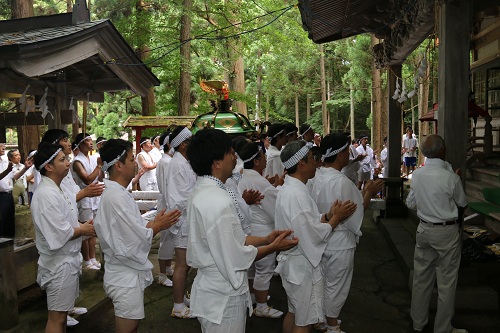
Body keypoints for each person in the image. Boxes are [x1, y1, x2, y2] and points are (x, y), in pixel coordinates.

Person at [185, 128, 298, 333]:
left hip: (212, 290)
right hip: (223, 295)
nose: (235, 156)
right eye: (230, 152)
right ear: (216, 162)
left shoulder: (202, 191)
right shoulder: (219, 200)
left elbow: (234, 240)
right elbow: (236, 256)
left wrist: (265, 240)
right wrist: (273, 247)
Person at [94, 139, 181, 333]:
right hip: (123, 275)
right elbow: (133, 239)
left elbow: (136, 227)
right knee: (127, 327)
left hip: (126, 273)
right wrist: (157, 226)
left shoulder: (119, 193)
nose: (135, 163)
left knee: (131, 325)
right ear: (118, 165)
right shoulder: (115, 197)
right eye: (132, 159)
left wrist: (154, 223)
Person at [274, 140, 357, 333]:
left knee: (294, 313)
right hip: (301, 266)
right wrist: (335, 220)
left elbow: (307, 222)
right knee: (304, 322)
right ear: (301, 163)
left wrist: (327, 216)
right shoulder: (296, 194)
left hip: (294, 265)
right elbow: (310, 234)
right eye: (312, 159)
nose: (316, 162)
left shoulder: (293, 188)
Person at [311, 134, 384, 333]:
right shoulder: (342, 182)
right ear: (341, 154)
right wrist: (368, 193)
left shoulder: (313, 177)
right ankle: (332, 326)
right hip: (339, 241)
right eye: (347, 152)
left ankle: (323, 321)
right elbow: (356, 210)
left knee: (323, 281)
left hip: (318, 238)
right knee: (336, 285)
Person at [31, 142, 96, 333]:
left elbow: (66, 222)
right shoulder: (46, 194)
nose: (68, 163)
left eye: (67, 158)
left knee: (60, 317)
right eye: (62, 160)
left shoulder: (57, 189)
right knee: (57, 319)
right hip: (59, 263)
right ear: (48, 167)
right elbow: (59, 233)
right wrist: (82, 230)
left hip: (66, 260)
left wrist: (82, 227)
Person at [410, 135, 468, 333]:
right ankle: (443, 328)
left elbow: (411, 202)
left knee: (421, 278)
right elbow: (462, 203)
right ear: (442, 150)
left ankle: (418, 322)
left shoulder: (417, 175)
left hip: (424, 229)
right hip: (445, 231)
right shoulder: (451, 178)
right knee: (446, 282)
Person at [238, 142, 286, 318]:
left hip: (248, 231)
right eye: (263, 156)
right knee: (264, 269)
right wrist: (279, 187)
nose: (265, 159)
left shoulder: (243, 178)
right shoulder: (259, 182)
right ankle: (262, 305)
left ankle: (253, 296)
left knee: (251, 267)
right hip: (263, 231)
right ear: (256, 161)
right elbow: (275, 209)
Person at [163, 126, 197, 318]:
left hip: (186, 218)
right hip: (181, 220)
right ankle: (178, 306)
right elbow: (178, 199)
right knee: (182, 264)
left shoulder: (182, 161)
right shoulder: (177, 164)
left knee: (186, 263)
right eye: (190, 140)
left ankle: (181, 299)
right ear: (183, 144)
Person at [72, 132, 104, 270]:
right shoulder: (77, 161)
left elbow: (100, 178)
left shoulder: (94, 158)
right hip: (84, 199)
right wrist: (98, 167)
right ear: (81, 144)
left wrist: (100, 167)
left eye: (91, 140)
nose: (91, 143)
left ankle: (93, 258)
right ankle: (86, 260)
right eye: (88, 141)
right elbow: (87, 179)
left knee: (93, 229)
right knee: (85, 230)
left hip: (95, 197)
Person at [156, 131, 175, 287]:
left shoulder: (167, 161)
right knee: (166, 239)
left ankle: (168, 268)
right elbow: (167, 187)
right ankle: (162, 273)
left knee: (169, 239)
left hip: (168, 202)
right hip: (167, 204)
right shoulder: (166, 162)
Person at [0, 143, 33, 237]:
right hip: (1, 196)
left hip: (9, 195)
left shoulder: (5, 161)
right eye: (1, 146)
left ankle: (9, 245)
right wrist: (7, 171)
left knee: (9, 222)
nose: (3, 147)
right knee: (1, 222)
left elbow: (15, 176)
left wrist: (26, 168)